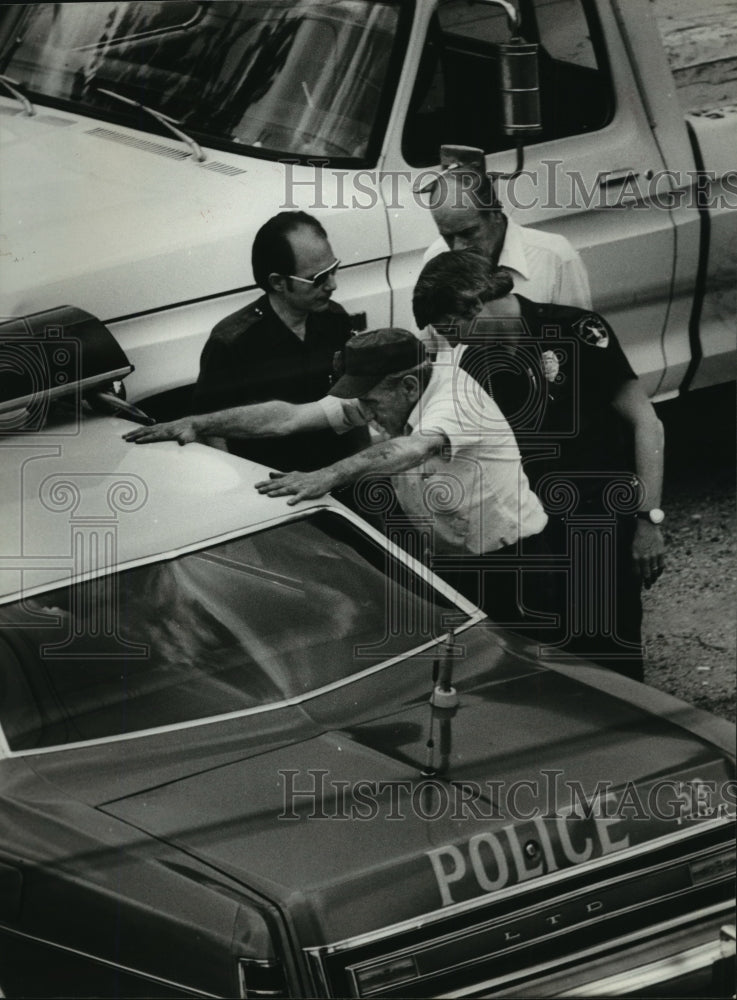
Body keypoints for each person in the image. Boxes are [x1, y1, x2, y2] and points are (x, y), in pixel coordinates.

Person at [125, 329, 554, 638]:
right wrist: (197, 422)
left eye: (370, 403)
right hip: (457, 560)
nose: (364, 414)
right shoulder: (394, 389)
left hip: (519, 562)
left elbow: (410, 449)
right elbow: (288, 417)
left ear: (408, 386)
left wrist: (326, 476)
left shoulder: (454, 401)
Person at [412, 249, 666, 680]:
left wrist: (648, 519)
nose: (451, 342)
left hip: (599, 523)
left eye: (449, 328)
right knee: (556, 666)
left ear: (474, 305)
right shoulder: (470, 364)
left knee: (614, 656)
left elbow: (647, 423)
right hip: (534, 538)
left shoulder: (576, 330)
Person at [192, 210, 368, 471]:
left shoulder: (335, 318)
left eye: (333, 269)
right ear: (278, 282)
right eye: (317, 278)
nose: (332, 285)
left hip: (336, 471)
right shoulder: (231, 343)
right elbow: (210, 428)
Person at [423, 145, 592, 310]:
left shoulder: (555, 258)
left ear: (495, 214)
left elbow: (580, 333)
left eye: (468, 233)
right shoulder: (435, 256)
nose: (457, 248)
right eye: (448, 237)